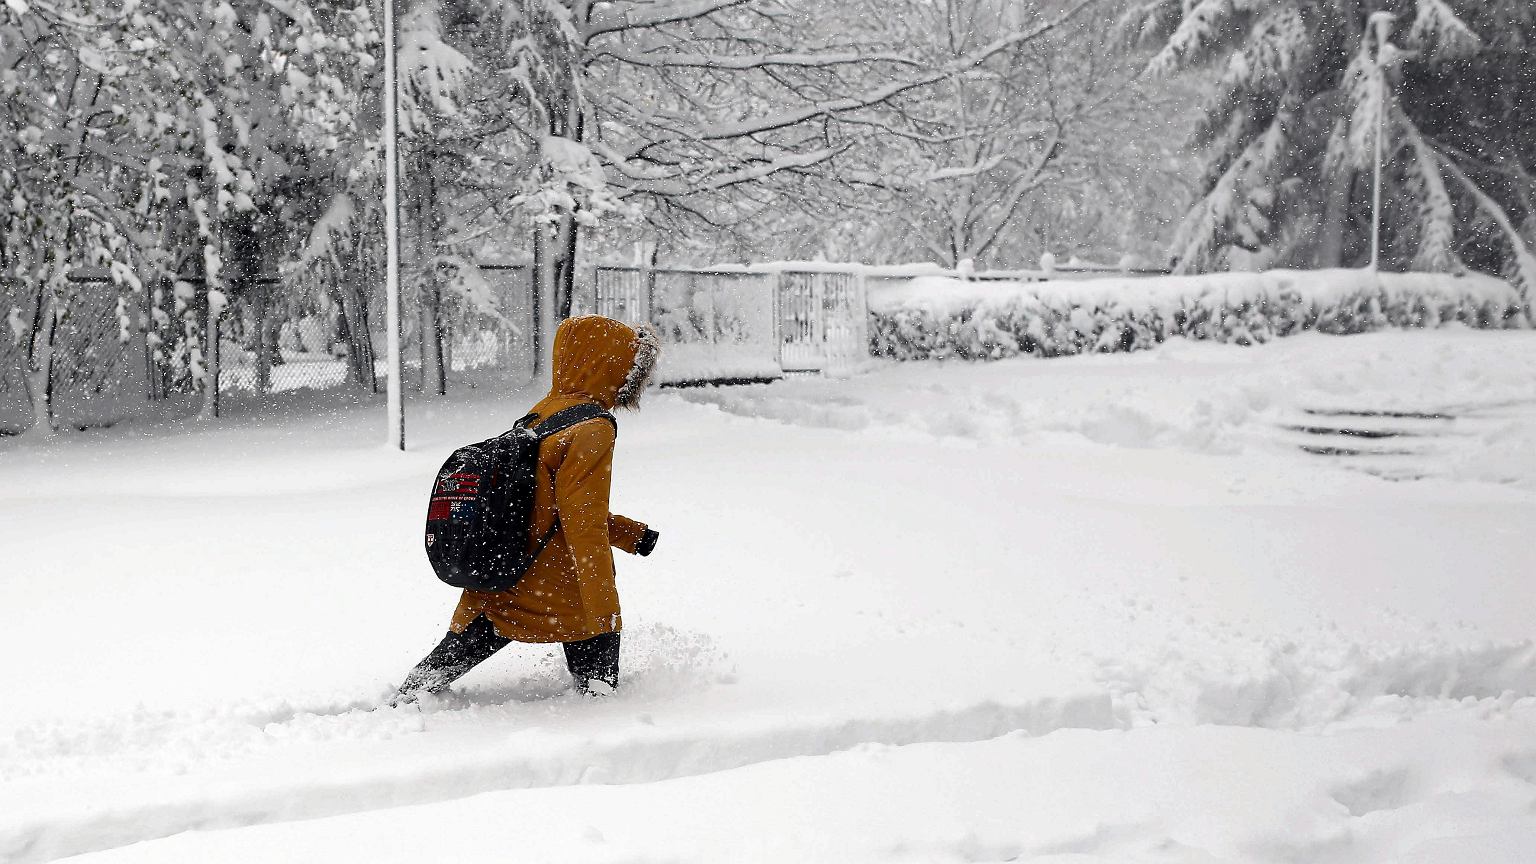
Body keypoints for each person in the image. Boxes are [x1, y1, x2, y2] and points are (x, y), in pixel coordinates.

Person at [395, 315, 661, 703]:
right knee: (598, 692)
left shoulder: (544, 412)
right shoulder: (594, 428)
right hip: (560, 582)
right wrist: (605, 609)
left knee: (454, 653)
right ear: (612, 365)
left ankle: (404, 701)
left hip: (506, 563)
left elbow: (549, 502)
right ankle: (605, 735)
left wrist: (628, 533)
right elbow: (580, 521)